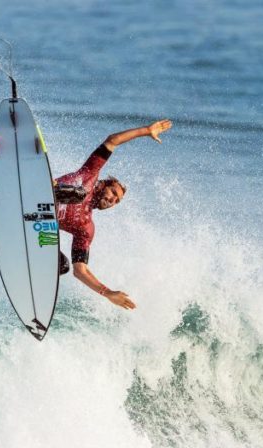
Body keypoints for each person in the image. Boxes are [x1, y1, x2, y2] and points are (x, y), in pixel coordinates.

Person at [53, 119, 173, 310]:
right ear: (104, 184)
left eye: (117, 201)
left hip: (35, 227)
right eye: (113, 194)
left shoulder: (86, 228)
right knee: (78, 193)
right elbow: (112, 141)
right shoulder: (89, 175)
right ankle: (44, 189)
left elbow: (80, 270)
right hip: (40, 192)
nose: (112, 201)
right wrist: (146, 130)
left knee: (63, 266)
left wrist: (108, 293)